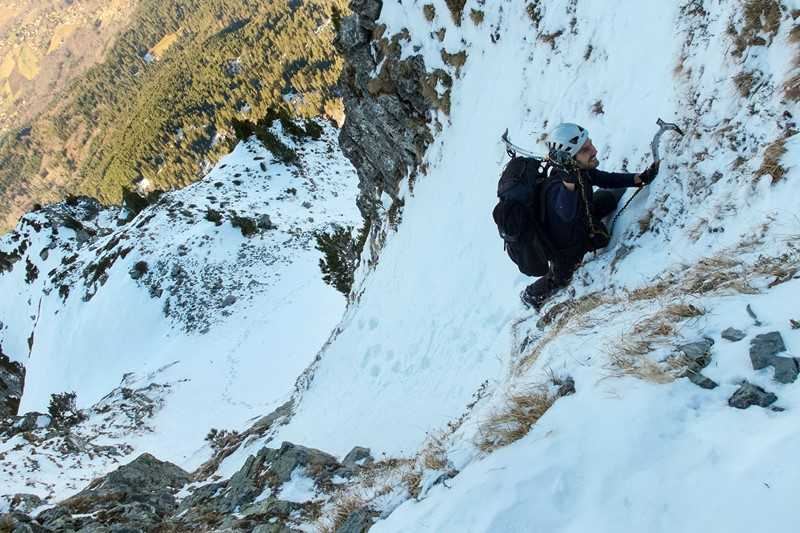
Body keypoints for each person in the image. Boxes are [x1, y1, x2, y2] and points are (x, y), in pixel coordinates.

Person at [519, 122, 660, 310]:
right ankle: (530, 295)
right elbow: (565, 210)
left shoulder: (579, 170)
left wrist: (638, 179)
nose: (594, 150)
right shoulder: (559, 188)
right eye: (585, 149)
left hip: (582, 217)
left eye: (590, 143)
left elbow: (604, 178)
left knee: (607, 198)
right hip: (567, 249)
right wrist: (570, 184)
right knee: (560, 278)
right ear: (569, 159)